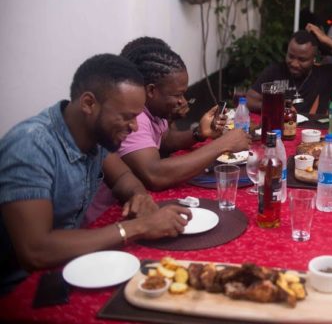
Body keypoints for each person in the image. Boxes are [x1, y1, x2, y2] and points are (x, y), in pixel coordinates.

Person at [0, 55, 191, 290]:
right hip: (20, 289)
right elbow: (36, 251)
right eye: (127, 116)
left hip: (71, 264)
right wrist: (140, 227)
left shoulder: (92, 134)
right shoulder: (30, 146)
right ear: (89, 104)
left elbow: (122, 177)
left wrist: (138, 195)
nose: (134, 127)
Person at [105, 39, 251, 192]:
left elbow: (165, 139)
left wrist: (198, 133)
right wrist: (224, 144)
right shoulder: (135, 118)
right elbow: (155, 175)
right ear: (151, 91)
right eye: (177, 95)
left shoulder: (154, 110)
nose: (183, 101)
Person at [246, 24, 332, 114]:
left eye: (302, 59)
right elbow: (250, 100)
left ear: (314, 59)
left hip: (314, 135)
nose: (294, 63)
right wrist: (275, 107)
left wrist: (327, 40)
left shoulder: (325, 73)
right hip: (280, 132)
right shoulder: (275, 71)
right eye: (291, 56)